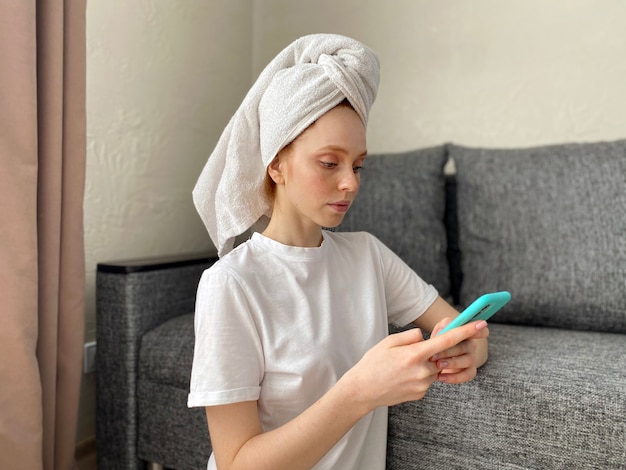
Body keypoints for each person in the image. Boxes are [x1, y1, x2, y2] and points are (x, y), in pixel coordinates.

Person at [188, 33, 489, 470]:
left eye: (358, 165)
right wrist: (360, 391)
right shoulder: (231, 284)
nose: (350, 183)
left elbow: (452, 323)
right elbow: (237, 463)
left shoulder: (369, 256)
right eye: (329, 163)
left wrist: (471, 349)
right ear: (276, 164)